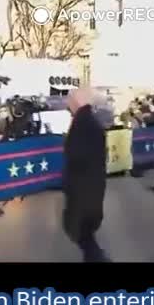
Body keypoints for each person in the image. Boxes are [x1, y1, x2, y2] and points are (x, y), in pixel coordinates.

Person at [62, 87, 109, 262]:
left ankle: (98, 258)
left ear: (76, 101)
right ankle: (95, 257)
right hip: (89, 185)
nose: (67, 105)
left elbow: (78, 155)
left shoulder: (84, 123)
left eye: (69, 101)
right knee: (82, 229)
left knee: (78, 227)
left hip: (83, 186)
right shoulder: (87, 120)